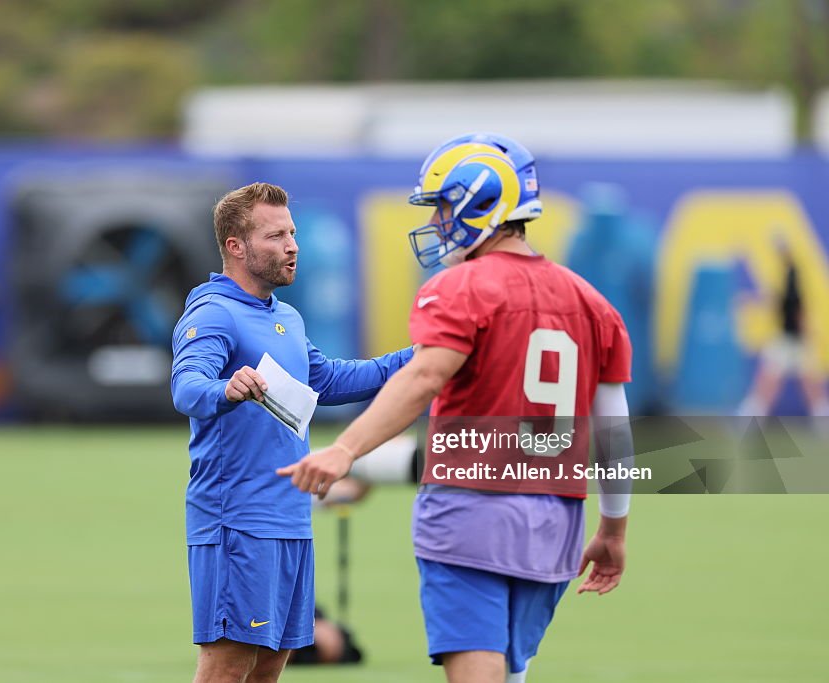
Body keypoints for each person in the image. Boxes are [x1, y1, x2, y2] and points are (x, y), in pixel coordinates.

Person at [278, 134, 636, 683]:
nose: (437, 221)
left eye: (444, 205)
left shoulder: (462, 287)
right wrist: (613, 529)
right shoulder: (592, 303)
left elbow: (424, 376)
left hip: (470, 506)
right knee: (510, 672)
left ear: (484, 203)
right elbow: (614, 429)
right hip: (556, 521)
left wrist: (346, 449)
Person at [170, 182, 413, 683]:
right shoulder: (214, 312)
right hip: (238, 522)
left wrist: (426, 355)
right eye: (276, 236)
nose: (292, 246)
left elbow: (329, 381)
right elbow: (187, 386)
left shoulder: (286, 317)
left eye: (293, 234)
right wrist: (225, 388)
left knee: (269, 669)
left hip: (291, 520)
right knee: (226, 667)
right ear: (236, 246)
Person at [738, 237, 829, 418]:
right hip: (789, 338)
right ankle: (751, 414)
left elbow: (795, 308)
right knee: (776, 380)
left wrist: (805, 331)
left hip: (794, 339)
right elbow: (779, 303)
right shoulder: (785, 275)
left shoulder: (792, 275)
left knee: (804, 383)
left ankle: (750, 415)